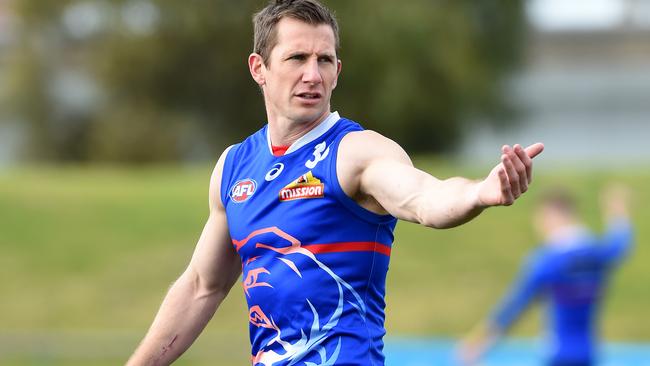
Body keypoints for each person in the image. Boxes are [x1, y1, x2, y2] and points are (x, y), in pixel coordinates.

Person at [126, 1, 544, 365]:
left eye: (324, 60)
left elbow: (423, 197)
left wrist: (478, 193)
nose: (313, 74)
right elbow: (203, 285)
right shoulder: (233, 167)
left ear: (338, 71)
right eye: (297, 59)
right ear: (260, 68)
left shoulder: (355, 153)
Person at [457, 186, 633, 366]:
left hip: (559, 354)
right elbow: (621, 241)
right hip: (588, 353)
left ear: (551, 216)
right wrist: (617, 210)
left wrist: (477, 343)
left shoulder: (548, 261)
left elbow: (514, 306)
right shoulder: (598, 253)